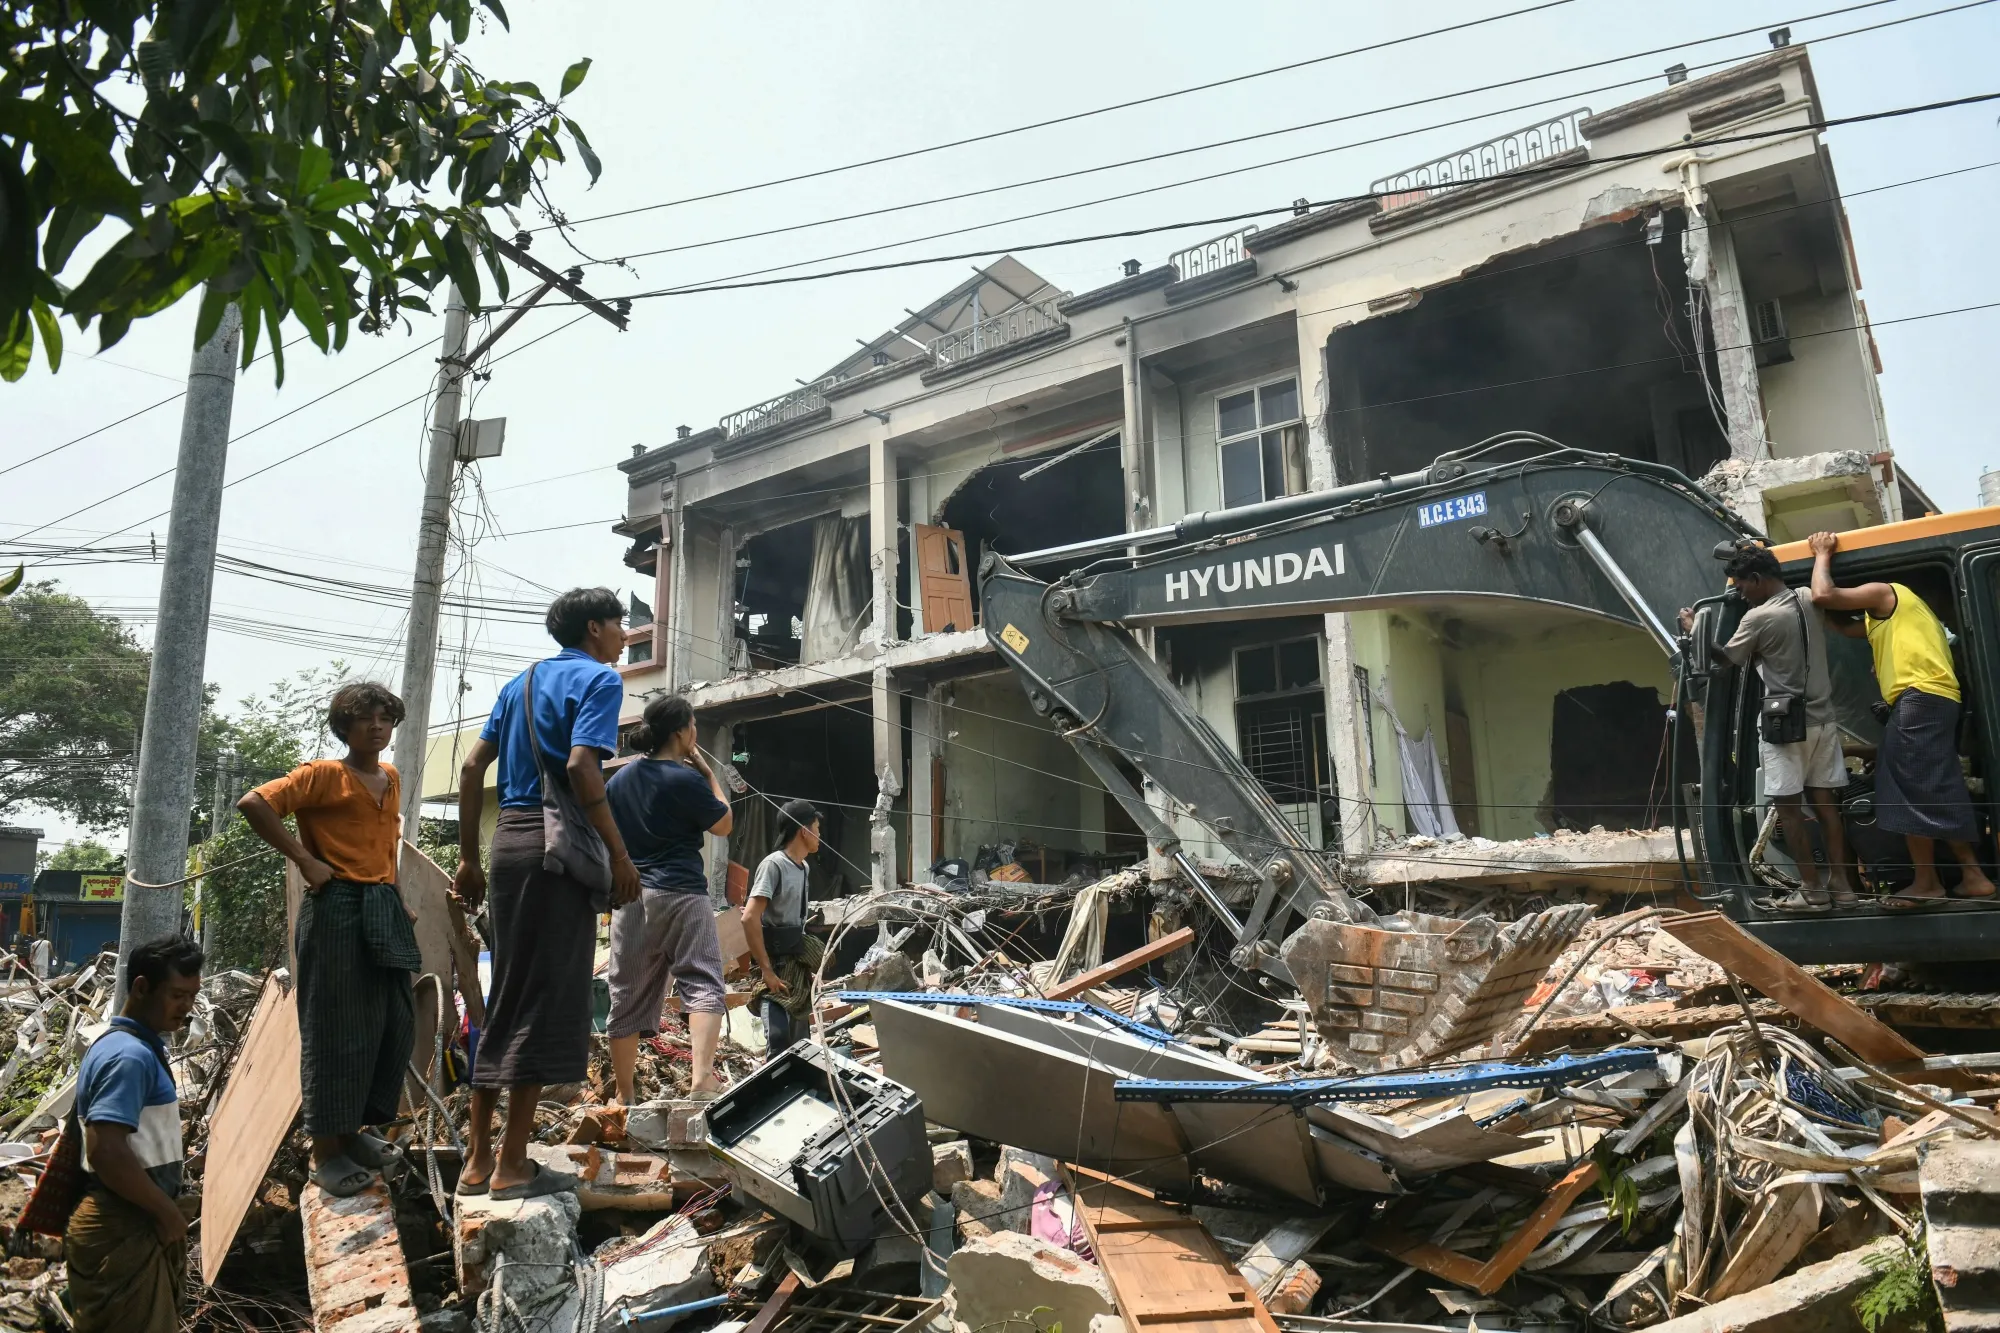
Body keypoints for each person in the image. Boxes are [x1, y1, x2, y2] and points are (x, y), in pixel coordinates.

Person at [453, 587, 640, 1200]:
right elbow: (585, 767)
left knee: (505, 993)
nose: (624, 637)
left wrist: (466, 859)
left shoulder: (521, 684)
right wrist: (617, 854)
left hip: (508, 847)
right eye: (619, 625)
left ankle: (478, 1160)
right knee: (546, 998)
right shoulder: (600, 681)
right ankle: (512, 1166)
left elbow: (470, 770)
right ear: (595, 628)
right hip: (556, 854)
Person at [239, 681, 421, 1196]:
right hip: (337, 905)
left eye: (385, 719)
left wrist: (398, 894)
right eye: (366, 719)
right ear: (344, 727)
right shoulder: (324, 774)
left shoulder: (389, 775)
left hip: (381, 905)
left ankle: (355, 1132)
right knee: (335, 1027)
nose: (378, 727)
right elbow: (254, 803)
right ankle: (326, 1153)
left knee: (390, 1021)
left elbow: (388, 846)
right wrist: (304, 861)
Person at [1808, 531, 1997, 908]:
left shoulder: (1886, 591)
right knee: (1930, 786)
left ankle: (1928, 883)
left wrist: (1821, 554)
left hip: (1919, 697)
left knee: (1906, 793)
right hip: (1931, 700)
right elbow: (1838, 622)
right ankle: (1972, 876)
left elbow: (1822, 595)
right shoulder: (1885, 620)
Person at [1680, 545, 1858, 911]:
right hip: (1824, 722)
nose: (1741, 593)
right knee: (1827, 808)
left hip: (1784, 727)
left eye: (1742, 585)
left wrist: (1695, 629)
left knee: (1789, 810)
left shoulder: (1757, 618)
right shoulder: (1809, 597)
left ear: (1758, 579)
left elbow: (1726, 660)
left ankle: (1811, 891)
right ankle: (1843, 887)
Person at [66, 935, 202, 1333]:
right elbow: (106, 1150)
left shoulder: (126, 1046)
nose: (187, 1008)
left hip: (124, 1221)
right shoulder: (129, 1056)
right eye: (178, 995)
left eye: (193, 996)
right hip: (122, 1224)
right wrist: (166, 1213)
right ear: (142, 987)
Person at [604, 693, 734, 1105]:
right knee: (702, 980)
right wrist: (707, 770)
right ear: (682, 732)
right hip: (680, 891)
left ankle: (624, 1096)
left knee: (626, 993)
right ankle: (702, 1081)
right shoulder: (685, 779)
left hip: (632, 896)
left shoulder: (620, 779)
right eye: (693, 724)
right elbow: (724, 823)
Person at [745, 800, 824, 1056]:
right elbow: (749, 918)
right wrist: (766, 971)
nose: (819, 835)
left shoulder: (804, 868)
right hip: (776, 965)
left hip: (796, 962)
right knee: (778, 1041)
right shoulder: (774, 865)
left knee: (801, 1045)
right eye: (817, 828)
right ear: (804, 831)